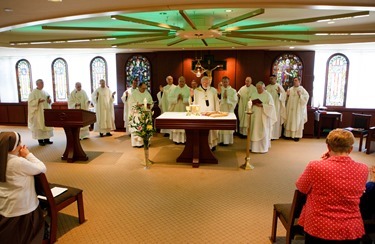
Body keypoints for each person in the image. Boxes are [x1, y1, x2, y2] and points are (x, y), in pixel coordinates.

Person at [296, 129, 369, 243]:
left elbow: (302, 188)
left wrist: (323, 161)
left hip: (319, 226)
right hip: (350, 229)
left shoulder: (315, 167)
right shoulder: (363, 169)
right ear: (350, 149)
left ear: (328, 148)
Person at [0, 131, 47, 243]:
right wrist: (28, 155)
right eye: (20, 142)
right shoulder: (18, 162)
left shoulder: (3, 158)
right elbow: (41, 168)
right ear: (14, 147)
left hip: (4, 204)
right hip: (22, 207)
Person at [248, 81, 276, 153]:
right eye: (257, 88)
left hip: (263, 116)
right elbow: (250, 103)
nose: (258, 90)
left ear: (264, 87)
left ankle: (263, 148)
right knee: (254, 130)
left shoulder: (268, 95)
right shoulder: (254, 94)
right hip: (255, 116)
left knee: (263, 131)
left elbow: (271, 106)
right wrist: (251, 103)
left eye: (260, 88)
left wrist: (262, 105)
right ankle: (253, 148)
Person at [194, 76, 220, 151]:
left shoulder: (213, 90)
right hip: (201, 113)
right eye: (204, 82)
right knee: (202, 129)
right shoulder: (197, 91)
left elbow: (216, 101)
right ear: (201, 82)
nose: (206, 84)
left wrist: (216, 111)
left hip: (211, 113)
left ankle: (212, 144)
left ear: (210, 82)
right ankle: (202, 145)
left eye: (207, 82)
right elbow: (194, 101)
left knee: (211, 129)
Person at [27, 79, 54, 146]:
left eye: (43, 83)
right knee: (39, 125)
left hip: (45, 112)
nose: (42, 84)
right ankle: (40, 140)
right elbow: (30, 102)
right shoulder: (33, 93)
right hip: (38, 113)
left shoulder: (45, 92)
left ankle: (47, 139)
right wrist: (38, 101)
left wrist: (49, 100)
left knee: (46, 124)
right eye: (41, 83)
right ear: (37, 84)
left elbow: (49, 101)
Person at [284, 77, 309, 141]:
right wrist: (287, 95)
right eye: (294, 80)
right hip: (290, 109)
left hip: (298, 110)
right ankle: (288, 135)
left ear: (299, 81)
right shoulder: (291, 89)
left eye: (296, 80)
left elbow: (306, 98)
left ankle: (296, 136)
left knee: (297, 121)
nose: (294, 81)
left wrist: (300, 95)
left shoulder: (302, 89)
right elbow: (285, 99)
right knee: (290, 120)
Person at [128, 82, 153, 147]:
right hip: (137, 114)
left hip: (146, 113)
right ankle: (138, 143)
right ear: (139, 87)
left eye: (145, 88)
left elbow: (151, 102)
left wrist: (149, 105)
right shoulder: (134, 94)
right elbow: (130, 103)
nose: (144, 90)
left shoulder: (147, 93)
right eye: (143, 88)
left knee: (147, 127)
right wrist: (137, 105)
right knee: (138, 127)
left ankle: (147, 142)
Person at [168, 76, 191, 144]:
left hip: (185, 109)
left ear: (185, 82)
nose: (181, 83)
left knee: (184, 124)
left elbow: (191, 99)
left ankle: (184, 139)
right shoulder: (174, 89)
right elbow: (169, 98)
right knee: (177, 124)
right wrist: (176, 98)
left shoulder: (188, 89)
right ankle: (176, 140)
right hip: (176, 109)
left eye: (182, 81)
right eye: (180, 81)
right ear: (178, 82)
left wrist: (183, 99)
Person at [217, 76, 238, 145]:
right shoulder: (219, 90)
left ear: (229, 82)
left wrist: (228, 98)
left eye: (226, 82)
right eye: (223, 82)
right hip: (221, 109)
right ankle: (220, 140)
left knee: (227, 125)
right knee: (221, 124)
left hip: (229, 110)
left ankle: (227, 141)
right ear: (222, 82)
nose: (225, 83)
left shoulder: (233, 91)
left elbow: (235, 100)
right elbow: (216, 99)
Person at [265, 75, 286, 140]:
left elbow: (284, 97)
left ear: (275, 79)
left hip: (276, 107)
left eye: (272, 78)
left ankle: (275, 135)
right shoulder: (267, 87)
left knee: (275, 120)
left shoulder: (279, 87)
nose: (271, 80)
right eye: (270, 78)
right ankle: (269, 135)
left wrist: (279, 93)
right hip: (269, 107)